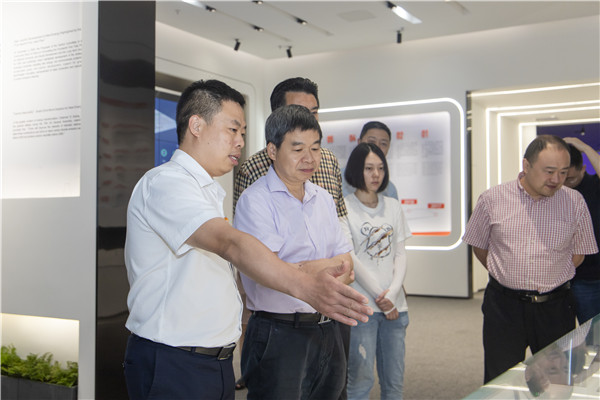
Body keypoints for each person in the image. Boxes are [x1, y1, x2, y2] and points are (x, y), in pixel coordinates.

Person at [123, 80, 372, 400]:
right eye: (232, 130)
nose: (240, 141)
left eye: (242, 132)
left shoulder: (208, 191)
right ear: (196, 126)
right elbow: (231, 244)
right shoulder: (166, 183)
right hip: (175, 359)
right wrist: (308, 286)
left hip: (212, 359)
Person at [233, 76, 351, 396]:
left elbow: (347, 263)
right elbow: (267, 272)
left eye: (315, 148)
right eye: (298, 149)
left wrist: (297, 269)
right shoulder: (255, 201)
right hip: (279, 331)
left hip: (327, 327)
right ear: (272, 150)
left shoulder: (322, 199)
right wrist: (321, 268)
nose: (309, 158)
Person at [463, 134, 598, 384]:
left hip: (555, 308)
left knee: (557, 383)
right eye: (549, 171)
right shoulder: (493, 199)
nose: (556, 180)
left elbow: (579, 254)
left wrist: (551, 275)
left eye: (563, 172)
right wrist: (505, 272)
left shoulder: (574, 201)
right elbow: (479, 245)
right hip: (504, 307)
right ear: (526, 165)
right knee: (500, 380)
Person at [343, 143, 411, 400]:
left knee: (394, 384)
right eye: (369, 168)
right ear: (356, 170)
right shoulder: (344, 207)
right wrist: (379, 297)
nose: (376, 175)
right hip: (362, 307)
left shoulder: (392, 206)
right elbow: (351, 258)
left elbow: (400, 254)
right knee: (360, 383)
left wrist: (391, 295)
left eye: (380, 168)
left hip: (396, 307)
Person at [233, 76, 346, 218]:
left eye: (313, 113)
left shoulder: (329, 161)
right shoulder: (252, 169)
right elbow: (243, 224)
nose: (308, 119)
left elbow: (340, 219)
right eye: (298, 111)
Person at [564, 136, 600, 324]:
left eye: (570, 178)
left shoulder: (594, 184)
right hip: (581, 278)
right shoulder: (557, 191)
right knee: (591, 332)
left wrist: (585, 148)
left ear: (583, 169)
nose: (564, 182)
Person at [342, 121, 398, 199]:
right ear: (359, 143)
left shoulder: (390, 190)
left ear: (388, 148)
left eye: (383, 143)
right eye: (371, 142)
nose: (377, 147)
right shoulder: (337, 179)